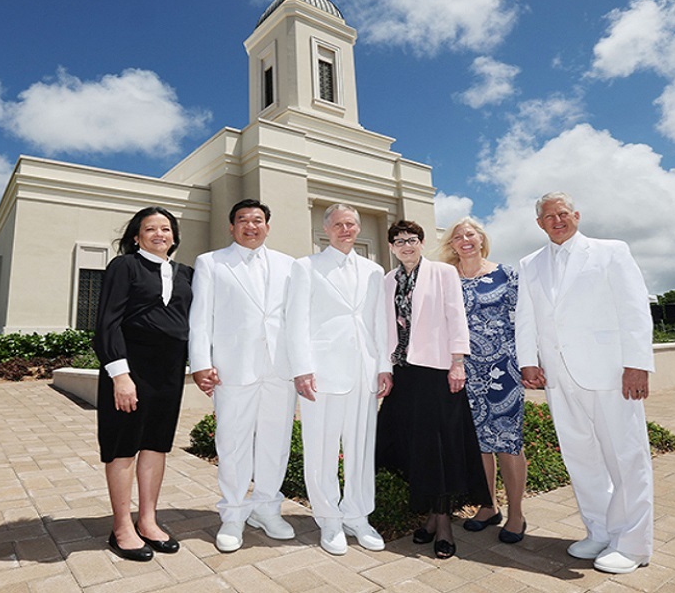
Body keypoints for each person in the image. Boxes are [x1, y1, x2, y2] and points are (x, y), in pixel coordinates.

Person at [515, 192, 655, 575]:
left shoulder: (611, 251)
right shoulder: (530, 264)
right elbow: (525, 318)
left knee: (626, 457)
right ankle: (599, 531)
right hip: (560, 378)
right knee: (582, 459)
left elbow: (634, 309)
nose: (557, 220)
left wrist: (637, 364)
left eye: (563, 213)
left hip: (611, 373)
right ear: (539, 223)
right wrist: (528, 362)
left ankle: (633, 543)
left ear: (576, 215)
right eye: (549, 216)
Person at [376, 219, 490, 559]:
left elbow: (457, 318)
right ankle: (430, 517)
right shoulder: (387, 281)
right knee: (415, 449)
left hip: (438, 373)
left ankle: (443, 525)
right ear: (392, 247)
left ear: (422, 242)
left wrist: (458, 363)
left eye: (412, 239)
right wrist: (385, 369)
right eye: (399, 241)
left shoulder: (443, 273)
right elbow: (383, 328)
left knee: (440, 450)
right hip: (404, 375)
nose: (406, 245)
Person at [188, 199, 297, 552]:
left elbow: (296, 319)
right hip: (233, 369)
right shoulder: (211, 262)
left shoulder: (288, 265)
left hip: (279, 369)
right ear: (231, 227)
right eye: (243, 220)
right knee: (232, 443)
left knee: (275, 443)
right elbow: (201, 317)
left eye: (258, 220)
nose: (251, 225)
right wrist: (201, 362)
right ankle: (233, 515)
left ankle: (266, 509)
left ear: (268, 225)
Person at [285, 203, 392, 556]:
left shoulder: (374, 271)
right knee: (322, 449)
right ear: (326, 229)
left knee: (361, 449)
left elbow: (379, 323)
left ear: (358, 229)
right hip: (322, 373)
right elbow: (296, 321)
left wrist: (383, 366)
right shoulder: (306, 267)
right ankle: (329, 519)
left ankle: (357, 517)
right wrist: (302, 368)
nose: (346, 230)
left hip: (364, 372)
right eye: (338, 224)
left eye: (351, 224)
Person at [93, 206, 193, 562]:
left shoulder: (185, 274)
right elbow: (107, 323)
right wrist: (120, 375)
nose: (159, 234)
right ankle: (122, 526)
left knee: (155, 444)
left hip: (168, 373)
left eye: (165, 228)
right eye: (150, 229)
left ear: (174, 236)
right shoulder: (125, 266)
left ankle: (148, 520)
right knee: (123, 445)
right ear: (137, 236)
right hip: (130, 371)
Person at [439, 217, 527, 544]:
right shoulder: (446, 278)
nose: (464, 240)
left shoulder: (506, 274)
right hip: (462, 370)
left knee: (507, 440)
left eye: (470, 234)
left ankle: (516, 513)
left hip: (503, 367)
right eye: (458, 236)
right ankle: (488, 506)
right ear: (451, 244)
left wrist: (531, 361)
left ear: (481, 238)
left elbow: (527, 318)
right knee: (476, 444)